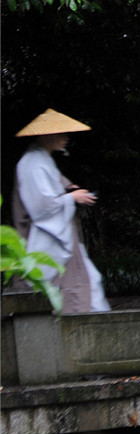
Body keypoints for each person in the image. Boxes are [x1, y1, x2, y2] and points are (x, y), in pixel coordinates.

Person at [11, 109, 110, 313]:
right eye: (61, 134)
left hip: (59, 235)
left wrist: (69, 188)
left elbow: (54, 182)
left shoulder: (41, 159)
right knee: (59, 284)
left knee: (87, 280)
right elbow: (42, 206)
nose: (66, 138)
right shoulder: (32, 163)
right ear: (47, 136)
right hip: (45, 238)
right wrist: (72, 197)